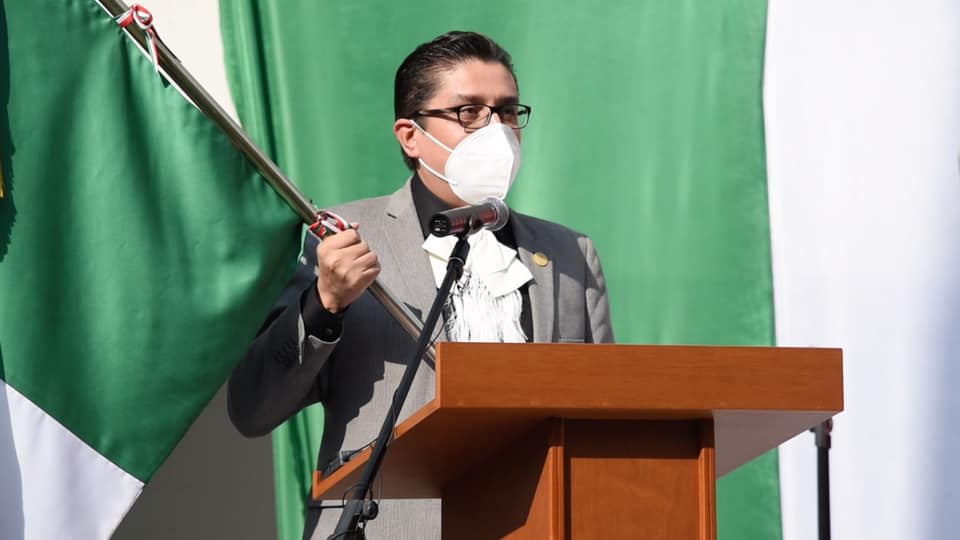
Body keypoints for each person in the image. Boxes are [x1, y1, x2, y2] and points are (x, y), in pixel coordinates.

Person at [228, 30, 614, 540]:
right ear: (411, 135)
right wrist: (324, 304)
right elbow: (254, 408)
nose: (495, 131)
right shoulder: (339, 238)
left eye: (506, 111)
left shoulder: (568, 253)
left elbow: (607, 414)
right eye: (469, 112)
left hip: (540, 522)